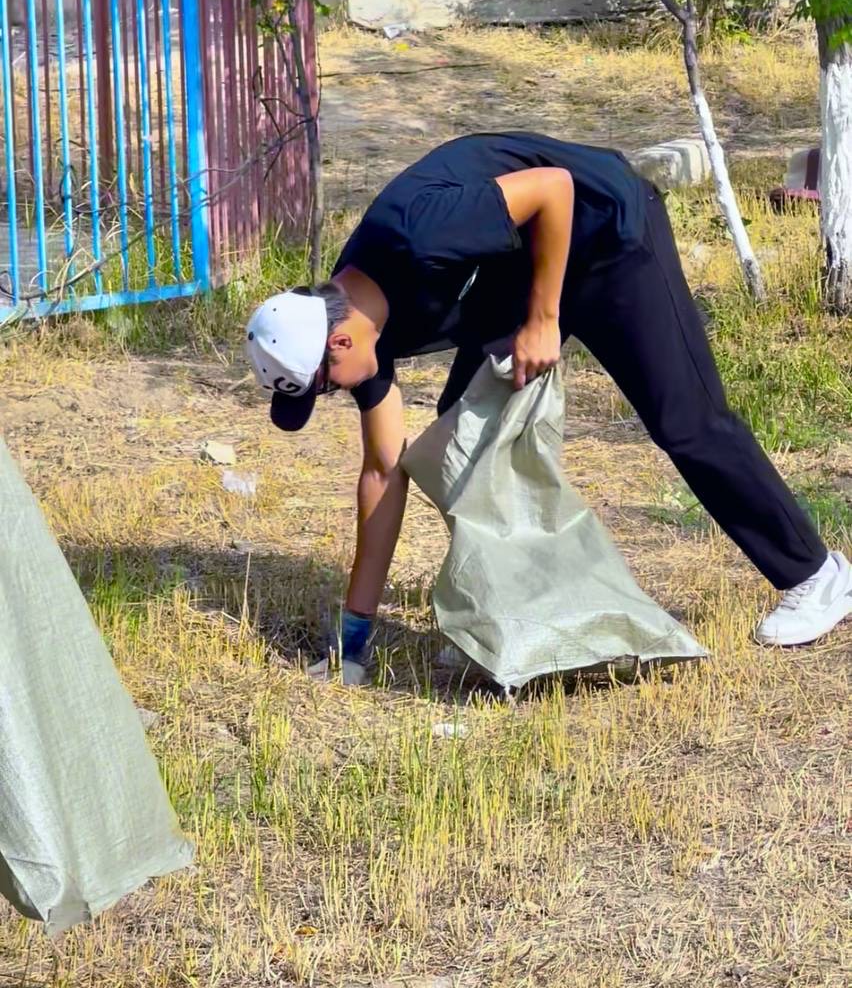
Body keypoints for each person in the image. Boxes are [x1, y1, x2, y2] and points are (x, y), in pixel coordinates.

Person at [245, 132, 852, 658]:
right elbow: (382, 471)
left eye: (322, 388)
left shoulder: (416, 235)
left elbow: (553, 188)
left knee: (686, 421)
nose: (331, 396)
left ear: (340, 344)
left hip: (606, 235)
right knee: (461, 445)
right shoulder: (360, 330)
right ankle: (517, 615)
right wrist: (356, 633)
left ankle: (815, 576)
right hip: (527, 273)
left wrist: (541, 318)